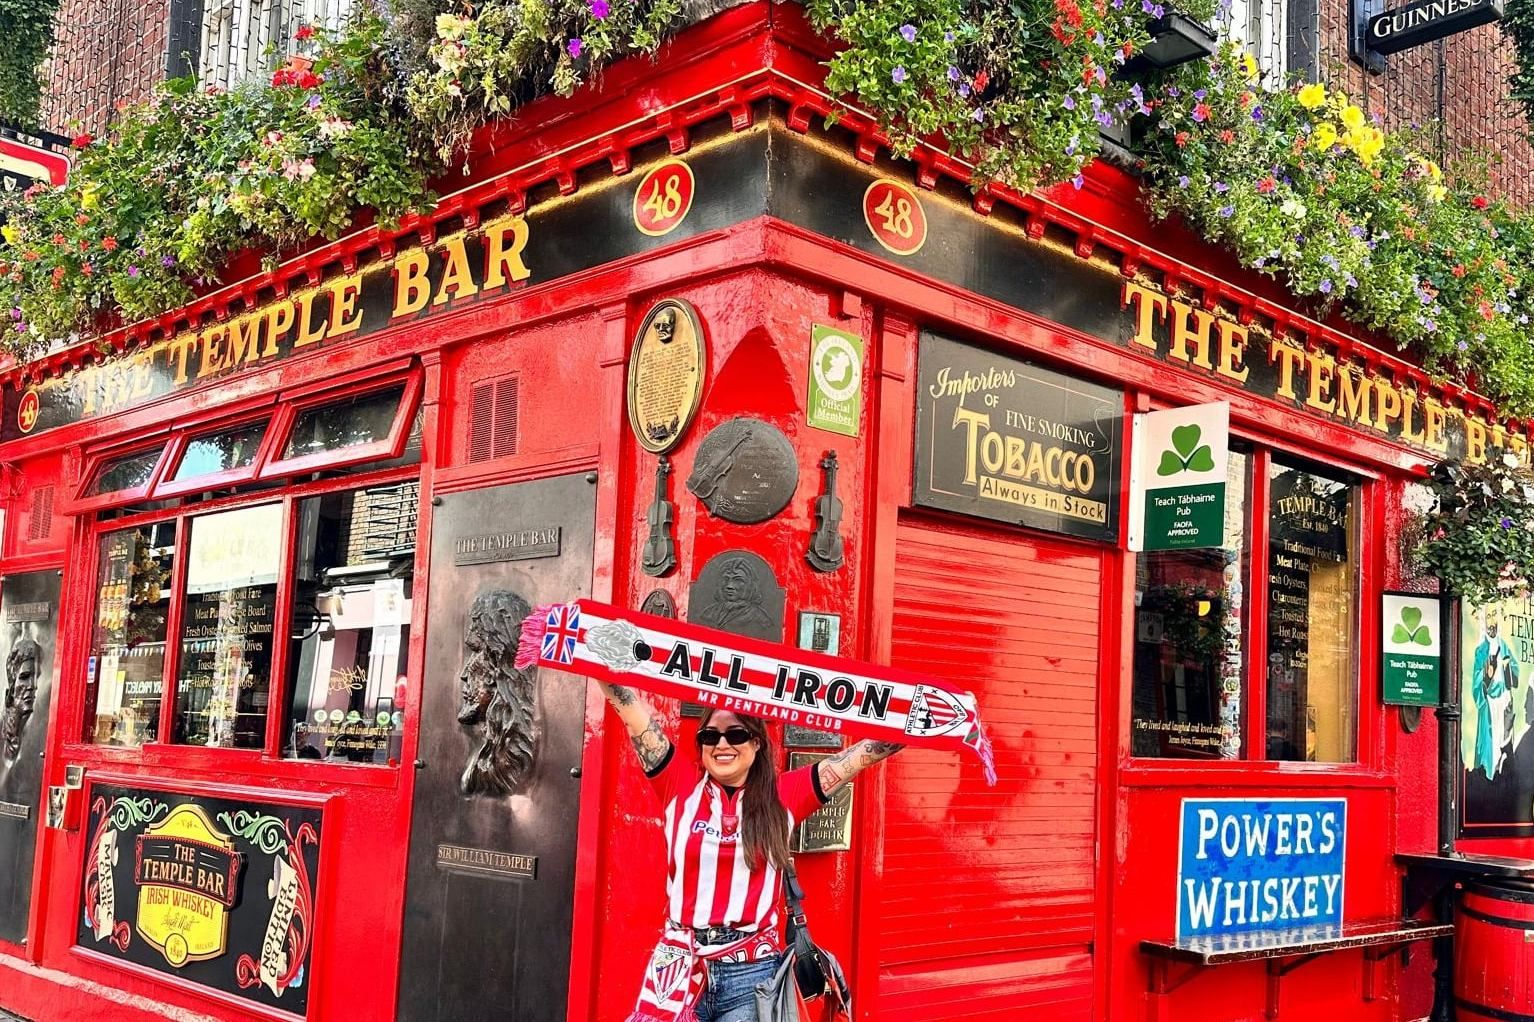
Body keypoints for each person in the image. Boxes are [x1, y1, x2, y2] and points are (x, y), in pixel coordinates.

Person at [600, 680, 900, 1022]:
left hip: (752, 977)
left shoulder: (785, 795)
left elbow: (860, 756)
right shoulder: (677, 785)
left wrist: (926, 719)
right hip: (677, 972)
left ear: (756, 742)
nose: (722, 744)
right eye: (710, 736)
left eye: (736, 734)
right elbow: (631, 713)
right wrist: (596, 660)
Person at [1472, 605, 1518, 780]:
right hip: (1489, 706)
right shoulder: (1480, 651)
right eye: (1488, 617)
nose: (1492, 623)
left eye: (1494, 616)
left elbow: (1514, 674)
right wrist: (1487, 677)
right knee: (1490, 748)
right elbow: (1476, 685)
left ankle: (1503, 777)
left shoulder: (1504, 646)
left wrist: (1507, 668)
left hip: (1504, 701)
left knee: (1504, 743)